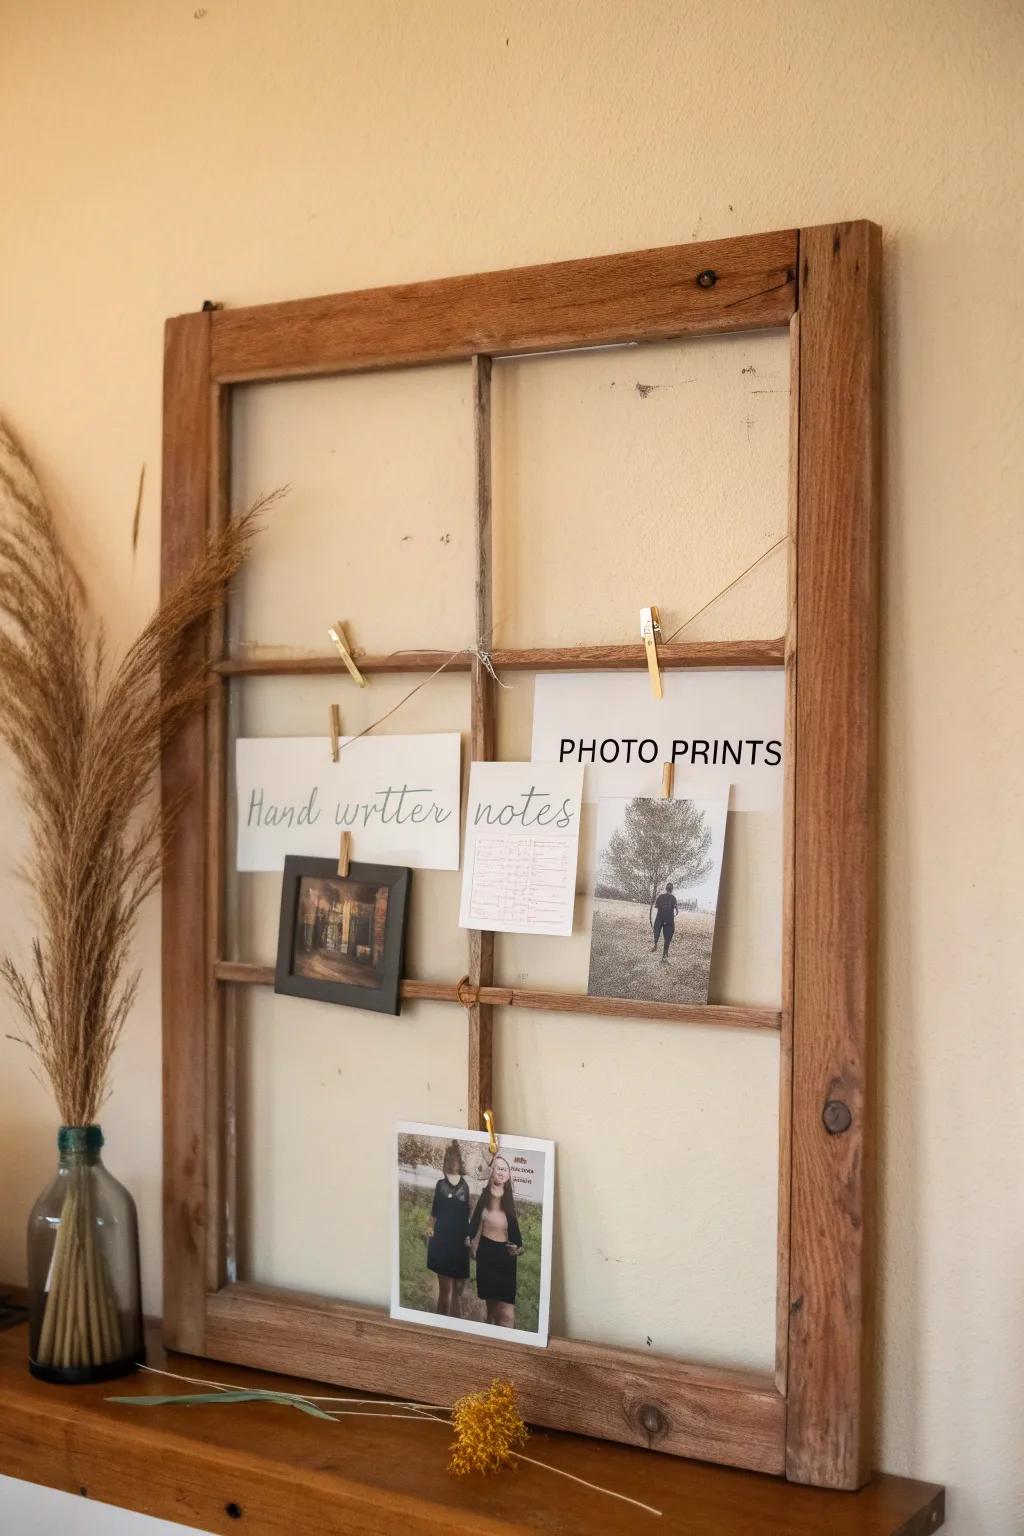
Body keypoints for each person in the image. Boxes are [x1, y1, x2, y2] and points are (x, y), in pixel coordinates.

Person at [468, 1155, 524, 1328]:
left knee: (507, 1316)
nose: (501, 1171)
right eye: (498, 1167)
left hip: (506, 1260)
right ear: (491, 1172)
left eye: (504, 1169)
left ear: (508, 1176)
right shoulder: (483, 1199)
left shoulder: (509, 1203)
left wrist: (518, 1250)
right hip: (486, 1255)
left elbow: (520, 1245)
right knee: (491, 1312)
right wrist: (472, 1245)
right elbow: (472, 1228)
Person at [425, 1141, 470, 1316]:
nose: (451, 1162)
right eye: (448, 1159)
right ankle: (439, 1328)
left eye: (455, 1159)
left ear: (460, 1162)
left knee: (458, 1292)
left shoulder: (465, 1187)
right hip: (441, 1242)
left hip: (459, 1244)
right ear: (445, 1162)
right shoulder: (439, 1185)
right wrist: (429, 1227)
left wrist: (469, 1237)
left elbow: (468, 1215)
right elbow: (434, 1211)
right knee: (445, 1292)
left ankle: (456, 1331)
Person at [650, 880, 678, 963]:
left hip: (660, 918)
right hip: (669, 920)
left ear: (666, 889)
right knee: (667, 937)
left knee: (657, 931)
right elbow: (677, 912)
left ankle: (655, 944)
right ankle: (664, 954)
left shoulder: (660, 896)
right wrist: (673, 913)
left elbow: (656, 907)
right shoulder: (673, 898)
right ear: (672, 889)